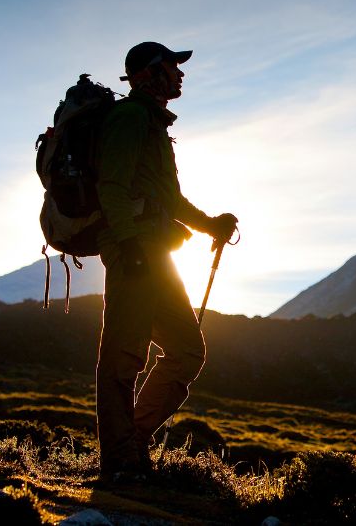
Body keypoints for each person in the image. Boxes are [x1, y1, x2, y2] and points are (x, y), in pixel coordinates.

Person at [93, 41, 238, 481]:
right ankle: (120, 463)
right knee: (123, 357)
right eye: (171, 66)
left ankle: (131, 446)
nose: (179, 74)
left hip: (155, 253)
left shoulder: (152, 124)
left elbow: (168, 198)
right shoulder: (130, 118)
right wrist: (131, 245)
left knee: (187, 351)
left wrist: (211, 224)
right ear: (148, 74)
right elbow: (111, 186)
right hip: (135, 253)